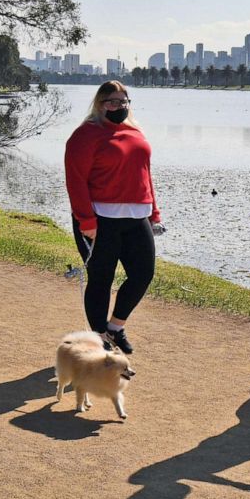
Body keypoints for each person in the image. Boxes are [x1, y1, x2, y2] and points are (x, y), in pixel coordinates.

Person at [64, 80, 164, 354]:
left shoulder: (135, 132)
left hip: (137, 217)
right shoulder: (85, 135)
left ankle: (115, 327)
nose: (119, 107)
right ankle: (98, 339)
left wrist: (154, 213)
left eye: (123, 102)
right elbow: (76, 181)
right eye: (113, 102)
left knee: (143, 273)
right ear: (99, 104)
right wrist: (86, 221)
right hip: (99, 219)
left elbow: (145, 174)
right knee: (101, 279)